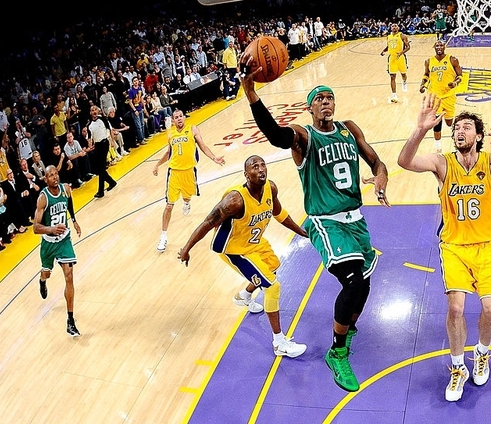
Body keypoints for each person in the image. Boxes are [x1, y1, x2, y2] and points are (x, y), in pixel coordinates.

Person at [238, 62, 390, 393]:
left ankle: (347, 327)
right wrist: (252, 95)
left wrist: (380, 178)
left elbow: (377, 162)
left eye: (329, 97)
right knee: (351, 282)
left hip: (355, 220)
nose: (325, 102)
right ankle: (337, 353)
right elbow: (277, 136)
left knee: (363, 286)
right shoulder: (304, 137)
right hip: (324, 221)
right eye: (318, 98)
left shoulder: (349, 129)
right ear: (310, 108)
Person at [397, 95, 491, 402]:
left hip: (486, 247)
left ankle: (481, 352)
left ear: (478, 136)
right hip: (453, 246)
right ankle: (457, 367)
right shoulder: (442, 164)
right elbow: (404, 162)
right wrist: (420, 129)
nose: (460, 132)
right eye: (457, 129)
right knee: (456, 308)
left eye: (467, 127)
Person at [177, 155, 308, 358]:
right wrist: (187, 248)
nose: (261, 169)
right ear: (247, 175)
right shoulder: (234, 201)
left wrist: (301, 231)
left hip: (253, 242)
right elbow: (207, 223)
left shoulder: (270, 188)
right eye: (255, 167)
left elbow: (279, 213)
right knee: (272, 287)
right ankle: (279, 342)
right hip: (233, 249)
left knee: (273, 264)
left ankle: (244, 296)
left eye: (263, 164)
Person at [152, 109, 225, 253]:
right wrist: (157, 165)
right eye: (176, 117)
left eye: (180, 116)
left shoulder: (192, 129)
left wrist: (214, 158)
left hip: (189, 171)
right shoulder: (171, 134)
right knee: (169, 205)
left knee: (187, 196)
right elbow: (169, 152)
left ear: (184, 117)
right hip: (174, 173)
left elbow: (203, 146)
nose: (178, 119)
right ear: (173, 120)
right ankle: (163, 236)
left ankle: (186, 202)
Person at [33, 165, 82, 337]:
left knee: (69, 275)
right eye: (50, 175)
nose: (54, 177)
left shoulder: (66, 189)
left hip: (64, 241)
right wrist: (52, 229)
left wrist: (74, 220)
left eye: (56, 174)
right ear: (45, 179)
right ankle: (42, 280)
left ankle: (70, 320)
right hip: (48, 243)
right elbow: (35, 228)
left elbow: (69, 203)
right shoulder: (43, 198)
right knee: (47, 273)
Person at [420, 39, 463, 152]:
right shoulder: (429, 61)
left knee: (449, 123)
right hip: (435, 96)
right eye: (437, 45)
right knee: (437, 122)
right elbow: (426, 74)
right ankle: (438, 147)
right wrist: (422, 84)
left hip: (448, 96)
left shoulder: (452, 60)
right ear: (434, 47)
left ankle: (452, 131)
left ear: (444, 47)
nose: (439, 47)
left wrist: (455, 83)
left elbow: (460, 75)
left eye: (441, 45)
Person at [87, 106, 117, 198]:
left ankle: (100, 191)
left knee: (101, 168)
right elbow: (89, 138)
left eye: (95, 109)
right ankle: (112, 182)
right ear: (90, 113)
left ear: (98, 111)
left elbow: (110, 129)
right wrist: (89, 146)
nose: (94, 111)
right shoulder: (89, 125)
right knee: (101, 169)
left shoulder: (103, 119)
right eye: (92, 110)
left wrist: (112, 141)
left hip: (104, 144)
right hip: (97, 146)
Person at [379, 22, 409, 103]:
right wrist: (384, 51)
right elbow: (388, 46)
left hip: (401, 58)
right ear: (390, 28)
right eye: (392, 26)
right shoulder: (388, 37)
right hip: (392, 58)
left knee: (403, 74)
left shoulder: (402, 35)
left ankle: (404, 82)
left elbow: (408, 47)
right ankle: (394, 95)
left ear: (398, 28)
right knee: (392, 77)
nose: (394, 27)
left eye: (395, 26)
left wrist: (401, 52)